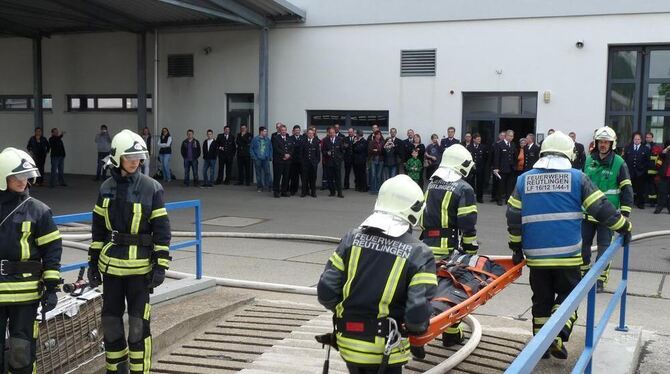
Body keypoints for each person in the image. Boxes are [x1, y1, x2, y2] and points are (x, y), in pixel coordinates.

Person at [506, 131, 632, 360]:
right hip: (567, 255)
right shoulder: (577, 178)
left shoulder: (523, 180)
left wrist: (516, 247)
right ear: (569, 154)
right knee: (569, 297)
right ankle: (556, 337)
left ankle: (541, 346)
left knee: (541, 300)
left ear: (542, 153)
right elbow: (601, 208)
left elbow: (513, 215)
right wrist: (624, 226)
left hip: (535, 256)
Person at [317, 174, 437, 374]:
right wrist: (416, 329)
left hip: (348, 341)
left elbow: (325, 292)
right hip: (387, 349)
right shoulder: (420, 253)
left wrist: (351, 315)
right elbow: (416, 314)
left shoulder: (351, 239)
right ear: (414, 210)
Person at [86, 129, 171, 374]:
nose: (136, 162)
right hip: (111, 269)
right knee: (111, 324)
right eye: (130, 157)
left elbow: (162, 230)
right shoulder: (105, 188)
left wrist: (161, 265)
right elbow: (98, 229)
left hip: (140, 271)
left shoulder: (152, 188)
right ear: (117, 157)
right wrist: (93, 263)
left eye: (138, 157)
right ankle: (115, 371)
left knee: (137, 326)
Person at [0, 147, 62, 374]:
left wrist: (52, 287)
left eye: (26, 176)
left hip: (25, 294)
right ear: (2, 176)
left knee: (21, 351)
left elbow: (53, 251)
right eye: (17, 176)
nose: (23, 181)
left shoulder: (39, 211)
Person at [420, 143, 478, 346]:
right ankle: (451, 334)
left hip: (426, 246)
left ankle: (421, 331)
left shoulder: (432, 183)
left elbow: (422, 216)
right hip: (450, 248)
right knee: (452, 293)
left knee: (426, 290)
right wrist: (471, 249)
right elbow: (467, 224)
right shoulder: (464, 188)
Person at [582, 126, 633, 292]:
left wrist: (624, 215)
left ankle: (599, 280)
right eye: (600, 142)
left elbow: (627, 189)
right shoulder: (588, 160)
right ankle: (582, 276)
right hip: (587, 215)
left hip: (608, 216)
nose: (603, 145)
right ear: (596, 143)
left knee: (604, 249)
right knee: (583, 248)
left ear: (612, 144)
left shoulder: (619, 163)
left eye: (606, 142)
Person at [623, 132, 649, 209]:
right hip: (630, 172)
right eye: (635, 139)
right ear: (633, 139)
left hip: (640, 172)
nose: (637, 140)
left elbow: (647, 161)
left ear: (641, 140)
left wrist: (643, 170)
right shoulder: (628, 147)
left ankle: (640, 203)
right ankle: (628, 203)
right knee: (628, 188)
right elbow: (625, 159)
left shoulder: (645, 148)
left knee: (640, 189)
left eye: (638, 139)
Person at [492, 130, 517, 206]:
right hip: (502, 168)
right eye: (510, 136)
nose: (512, 138)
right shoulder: (499, 144)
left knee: (509, 185)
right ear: (506, 136)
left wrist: (514, 165)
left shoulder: (512, 144)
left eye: (512, 136)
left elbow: (514, 156)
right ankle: (499, 199)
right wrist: (496, 167)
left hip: (510, 168)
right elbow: (497, 157)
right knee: (501, 185)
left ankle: (508, 199)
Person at [271, 124, 294, 198]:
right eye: (282, 130)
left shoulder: (289, 138)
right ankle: (276, 191)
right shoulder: (276, 138)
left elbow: (292, 148)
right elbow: (276, 148)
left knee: (286, 177)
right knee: (277, 177)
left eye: (285, 130)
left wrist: (289, 155)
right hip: (279, 161)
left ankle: (284, 191)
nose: (284, 131)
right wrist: (284, 154)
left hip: (287, 161)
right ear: (280, 131)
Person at [322, 126, 344, 198]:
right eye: (330, 133)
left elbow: (342, 150)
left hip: (337, 162)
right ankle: (332, 192)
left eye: (333, 133)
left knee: (338, 178)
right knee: (330, 178)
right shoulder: (325, 140)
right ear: (328, 133)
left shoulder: (339, 139)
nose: (332, 134)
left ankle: (339, 193)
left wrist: (340, 158)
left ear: (335, 133)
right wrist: (326, 153)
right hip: (329, 162)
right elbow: (323, 151)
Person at [468, 133, 490, 203]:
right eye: (477, 139)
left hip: (480, 168)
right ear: (473, 139)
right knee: (471, 183)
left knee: (480, 183)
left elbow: (485, 158)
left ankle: (479, 198)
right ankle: (470, 197)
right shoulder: (469, 147)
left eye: (480, 139)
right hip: (471, 168)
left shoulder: (483, 147)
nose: (479, 141)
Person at [250, 127, 273, 192]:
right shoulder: (255, 139)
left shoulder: (268, 139)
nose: (266, 133)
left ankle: (269, 186)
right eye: (265, 131)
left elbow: (271, 148)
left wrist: (270, 156)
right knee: (258, 173)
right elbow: (251, 149)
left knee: (268, 173)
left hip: (265, 159)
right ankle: (260, 187)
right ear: (261, 132)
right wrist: (254, 157)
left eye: (266, 131)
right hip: (257, 159)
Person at [644, 132, 663, 207]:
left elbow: (661, 157)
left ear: (652, 138)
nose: (647, 138)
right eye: (646, 137)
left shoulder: (656, 147)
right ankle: (645, 200)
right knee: (645, 186)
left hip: (653, 170)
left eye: (649, 137)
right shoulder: (643, 146)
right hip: (645, 170)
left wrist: (658, 166)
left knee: (653, 187)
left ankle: (653, 202)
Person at [300, 128, 320, 197]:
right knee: (304, 179)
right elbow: (301, 153)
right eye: (309, 133)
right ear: (307, 134)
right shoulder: (303, 141)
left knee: (313, 179)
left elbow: (318, 154)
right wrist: (302, 162)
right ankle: (304, 192)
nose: (310, 134)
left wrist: (316, 162)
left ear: (313, 134)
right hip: (305, 164)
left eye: (311, 133)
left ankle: (313, 192)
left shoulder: (316, 142)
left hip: (313, 164)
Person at [490, 131, 506, 202]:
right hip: (495, 166)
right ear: (499, 136)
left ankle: (501, 196)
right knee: (495, 182)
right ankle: (494, 196)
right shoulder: (495, 144)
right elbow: (492, 155)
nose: (502, 137)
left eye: (504, 135)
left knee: (501, 182)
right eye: (501, 135)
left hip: (502, 167)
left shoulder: (507, 145)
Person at [655, 140, 670, 214]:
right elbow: (660, 155)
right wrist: (667, 149)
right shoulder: (666, 151)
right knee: (662, 192)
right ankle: (659, 208)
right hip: (665, 176)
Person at [288, 125, 304, 195]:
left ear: (300, 131)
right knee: (294, 176)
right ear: (293, 131)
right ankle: (293, 190)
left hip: (302, 161)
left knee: (303, 177)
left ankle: (304, 191)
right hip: (293, 161)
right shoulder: (290, 138)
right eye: (296, 130)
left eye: (298, 130)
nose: (297, 131)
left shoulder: (303, 138)